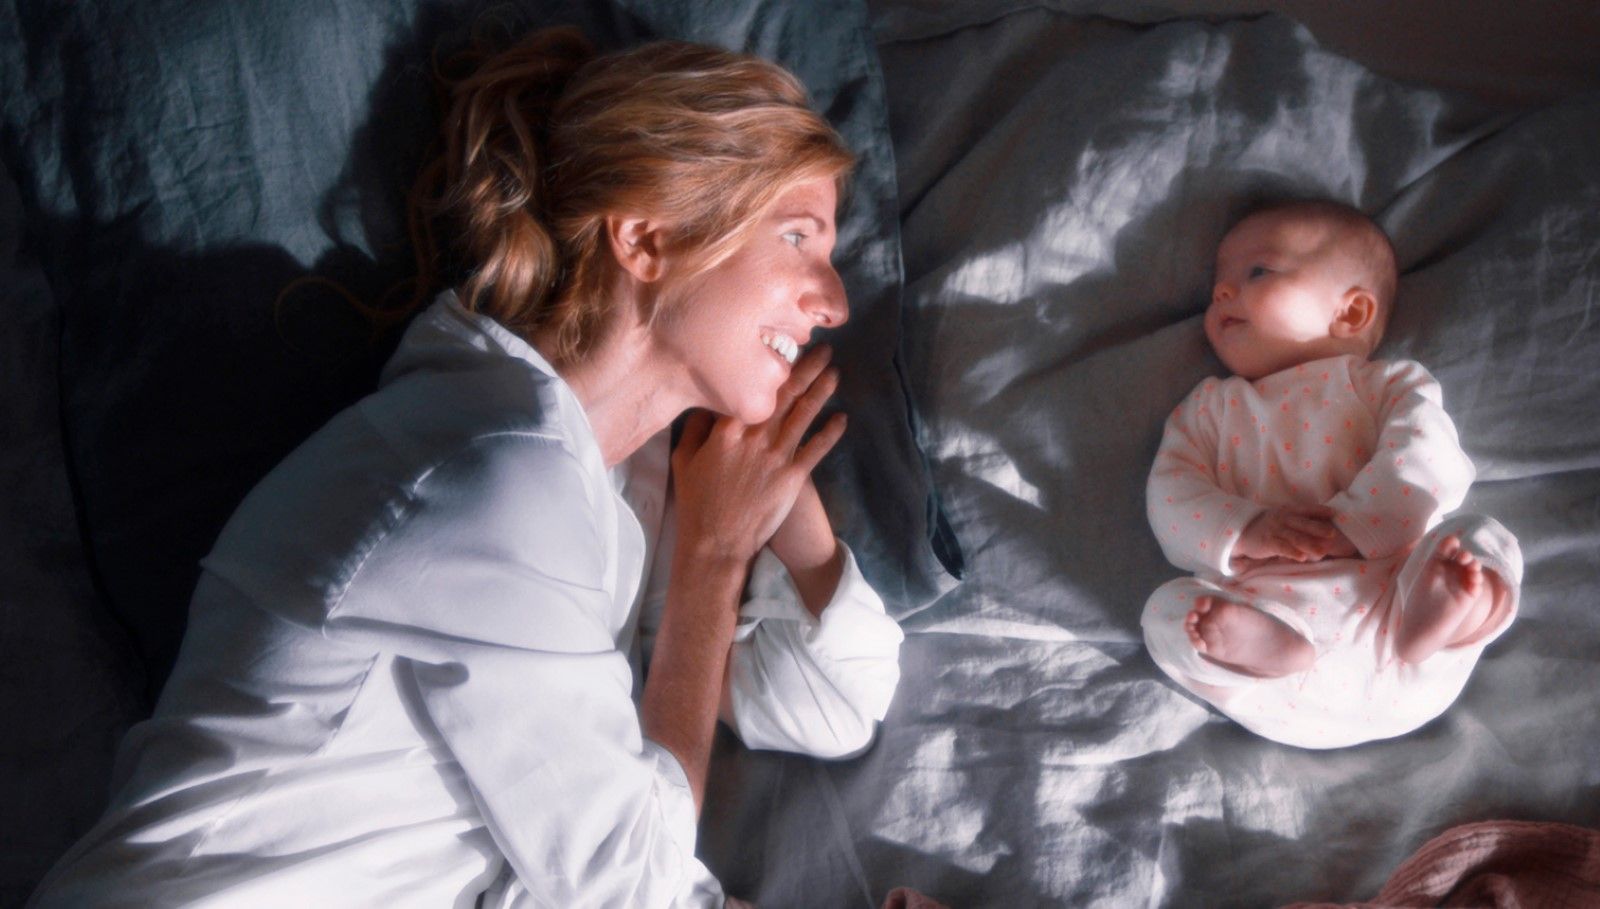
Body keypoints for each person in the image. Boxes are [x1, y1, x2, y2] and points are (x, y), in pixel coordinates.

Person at [30, 27, 904, 907]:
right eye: (798, 237)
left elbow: (834, 701)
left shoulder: (610, 492)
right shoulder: (494, 474)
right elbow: (630, 883)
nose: (834, 303)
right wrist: (713, 561)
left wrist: (763, 486)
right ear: (646, 240)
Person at [1140, 200, 1521, 749]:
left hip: (1395, 607)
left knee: (1479, 538)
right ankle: (1261, 646)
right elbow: (1171, 494)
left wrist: (1358, 526)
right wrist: (1245, 530)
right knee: (1165, 612)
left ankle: (1455, 612)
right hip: (1277, 648)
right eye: (1217, 284)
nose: (1222, 292)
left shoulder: (1387, 385)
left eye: (1257, 271)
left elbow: (1428, 457)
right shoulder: (1208, 408)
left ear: (1351, 313)